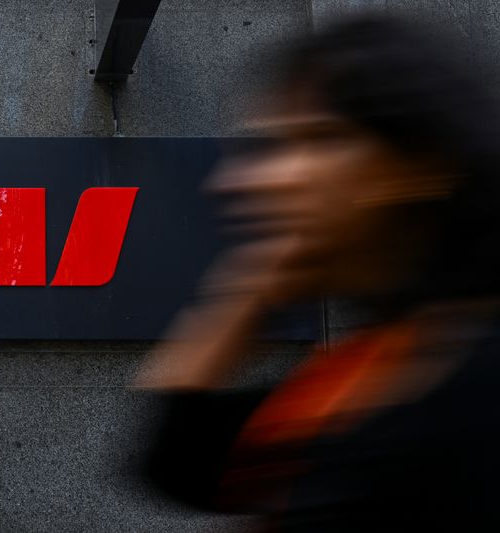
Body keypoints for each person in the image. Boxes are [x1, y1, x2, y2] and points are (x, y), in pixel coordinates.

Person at [135, 15, 500, 532]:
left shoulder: (472, 376)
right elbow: (181, 466)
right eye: (263, 150)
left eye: (318, 139)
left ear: (421, 162)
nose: (239, 181)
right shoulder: (373, 367)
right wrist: (244, 295)